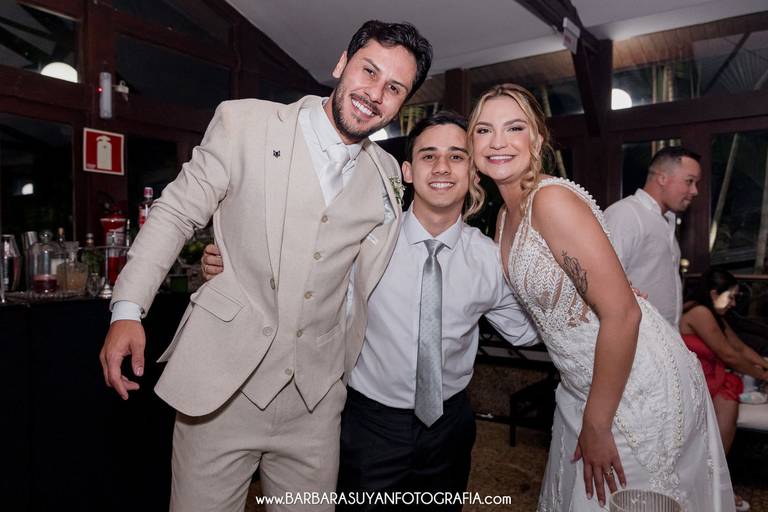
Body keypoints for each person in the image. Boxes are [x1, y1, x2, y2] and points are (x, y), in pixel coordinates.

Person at [98, 20, 432, 512]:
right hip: (221, 393)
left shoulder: (386, 174)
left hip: (315, 405)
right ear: (342, 63)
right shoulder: (245, 124)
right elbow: (176, 212)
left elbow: (362, 276)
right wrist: (128, 309)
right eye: (369, 71)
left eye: (394, 88)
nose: (375, 94)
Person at [203, 111, 539, 509]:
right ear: (408, 171)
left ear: (472, 171)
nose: (442, 167)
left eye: (456, 156)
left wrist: (553, 274)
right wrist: (233, 264)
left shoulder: (490, 259)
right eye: (429, 156)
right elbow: (295, 272)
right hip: (369, 426)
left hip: (448, 427)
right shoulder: (367, 240)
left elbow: (526, 330)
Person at [469, 83, 734, 511]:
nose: (497, 141)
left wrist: (597, 422)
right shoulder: (504, 216)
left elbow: (623, 315)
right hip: (580, 383)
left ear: (536, 138)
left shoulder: (550, 200)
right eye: (484, 130)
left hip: (631, 386)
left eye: (514, 127)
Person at [680, 268, 768, 512]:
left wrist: (765, 366)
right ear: (713, 293)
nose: (733, 303)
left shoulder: (714, 314)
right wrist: (763, 375)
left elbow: (739, 348)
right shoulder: (699, 312)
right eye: (730, 297)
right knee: (729, 393)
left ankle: (713, 479)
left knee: (730, 390)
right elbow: (728, 355)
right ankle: (712, 482)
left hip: (711, 373)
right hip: (696, 378)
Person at [604, 146, 701, 329]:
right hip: (636, 337)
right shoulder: (625, 214)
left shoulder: (666, 220)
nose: (695, 191)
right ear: (662, 178)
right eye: (689, 181)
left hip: (664, 336)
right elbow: (604, 283)